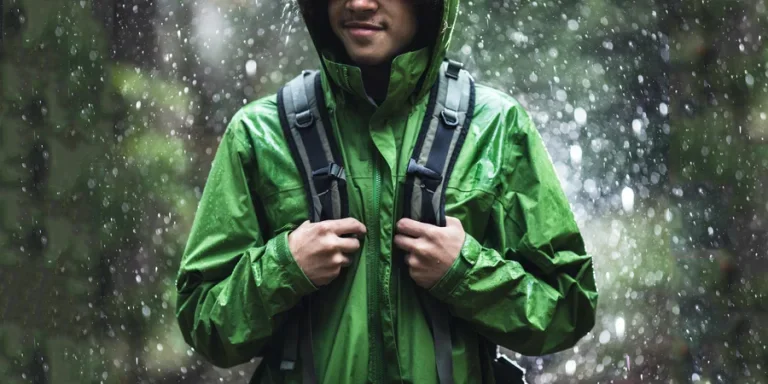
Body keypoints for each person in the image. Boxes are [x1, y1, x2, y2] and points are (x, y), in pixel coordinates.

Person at [174, 0, 599, 383]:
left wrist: (464, 273)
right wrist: (284, 267)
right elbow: (203, 320)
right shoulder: (260, 134)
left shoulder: (495, 126)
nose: (359, 3)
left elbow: (568, 306)